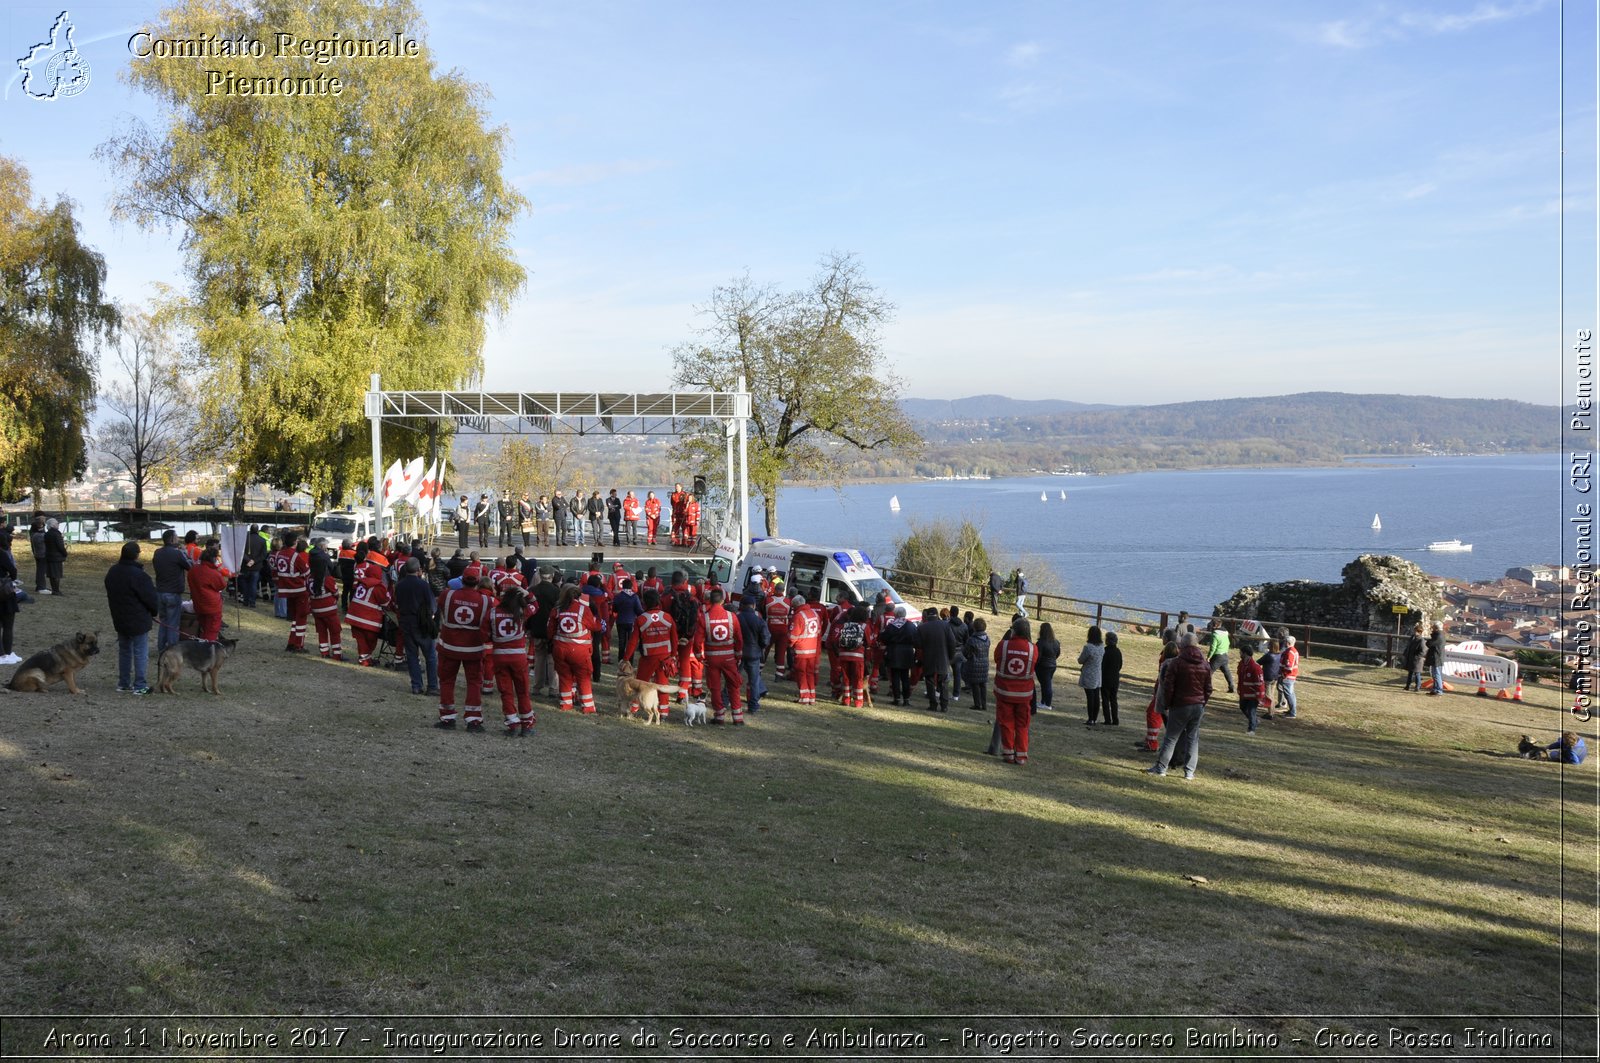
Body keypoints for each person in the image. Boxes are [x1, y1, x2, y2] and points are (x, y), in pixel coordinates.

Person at [1148, 632, 1213, 779]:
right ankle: (1189, 772)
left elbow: (1169, 686)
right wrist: (1202, 702)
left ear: (1182, 645)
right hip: (1197, 704)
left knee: (1171, 737)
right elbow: (1208, 688)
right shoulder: (1204, 664)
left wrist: (1168, 703)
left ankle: (1161, 768)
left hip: (1180, 704)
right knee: (1192, 738)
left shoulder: (1176, 663)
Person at [435, 567, 490, 729]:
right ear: (478, 581)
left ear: (462, 579)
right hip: (473, 649)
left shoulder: (448, 595)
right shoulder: (485, 600)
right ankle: (473, 719)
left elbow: (440, 606)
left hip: (449, 647)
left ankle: (447, 717)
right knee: (474, 683)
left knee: (446, 681)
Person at [104, 540, 159, 695]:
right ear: (136, 555)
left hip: (120, 617)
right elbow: (150, 598)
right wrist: (153, 612)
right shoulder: (139, 576)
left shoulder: (113, 572)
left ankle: (124, 682)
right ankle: (140, 684)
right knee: (140, 651)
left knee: (125, 650)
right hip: (138, 619)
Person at [487, 584, 534, 735]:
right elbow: (536, 605)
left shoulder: (492, 613)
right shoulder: (522, 612)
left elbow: (484, 634)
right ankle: (527, 724)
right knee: (523, 691)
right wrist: (528, 594)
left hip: (499, 657)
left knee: (505, 691)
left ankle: (512, 724)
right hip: (518, 657)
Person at [549, 583, 601, 714]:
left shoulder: (557, 609)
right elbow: (595, 626)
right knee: (583, 677)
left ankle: (566, 703)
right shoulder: (584, 609)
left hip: (560, 649)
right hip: (580, 650)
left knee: (564, 676)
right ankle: (588, 707)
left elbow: (550, 631)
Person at [993, 618, 1038, 765]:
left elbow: (996, 659)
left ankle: (1008, 754)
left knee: (1006, 723)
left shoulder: (1003, 645)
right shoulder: (1033, 649)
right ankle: (1021, 756)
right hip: (1024, 695)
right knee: (1022, 725)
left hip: (1004, 692)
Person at [696, 588, 744, 723]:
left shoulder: (704, 618)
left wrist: (700, 657)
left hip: (711, 658)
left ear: (710, 600)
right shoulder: (731, 616)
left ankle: (719, 715)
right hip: (729, 658)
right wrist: (738, 655)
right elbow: (739, 638)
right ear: (723, 600)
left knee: (715, 687)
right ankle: (738, 717)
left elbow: (698, 641)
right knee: (733, 685)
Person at [151, 529, 192, 658]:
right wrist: (185, 553)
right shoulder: (177, 554)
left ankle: (162, 648)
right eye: (176, 537)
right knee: (173, 624)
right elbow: (189, 566)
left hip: (160, 592)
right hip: (173, 593)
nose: (178, 539)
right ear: (172, 539)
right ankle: (173, 650)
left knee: (163, 622)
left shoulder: (157, 553)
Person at [345, 563, 393, 667]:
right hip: (368, 618)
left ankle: (365, 657)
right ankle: (364, 659)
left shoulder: (361, 583)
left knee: (361, 639)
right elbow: (385, 602)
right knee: (371, 640)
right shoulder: (378, 586)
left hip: (354, 616)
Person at [271, 534, 311, 652]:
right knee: (301, 619)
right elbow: (306, 572)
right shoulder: (295, 556)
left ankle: (291, 643)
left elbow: (275, 571)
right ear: (295, 542)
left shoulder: (279, 554)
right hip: (299, 590)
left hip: (286, 590)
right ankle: (298, 645)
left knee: (294, 618)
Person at [917, 605, 958, 713]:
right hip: (943, 658)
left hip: (928, 658)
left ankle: (933, 704)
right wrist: (950, 656)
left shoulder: (922, 627)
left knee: (930, 682)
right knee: (944, 683)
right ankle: (944, 705)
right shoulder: (945, 626)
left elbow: (917, 644)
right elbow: (952, 642)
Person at [789, 590, 826, 705]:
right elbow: (819, 631)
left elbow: (793, 636)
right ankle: (812, 697)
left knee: (801, 673)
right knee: (810, 674)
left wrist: (790, 645)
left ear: (796, 605)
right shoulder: (814, 614)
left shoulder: (798, 616)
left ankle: (804, 697)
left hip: (801, 650)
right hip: (813, 650)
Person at [187, 547, 229, 642]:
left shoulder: (193, 570)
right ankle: (207, 651)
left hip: (198, 604)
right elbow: (221, 585)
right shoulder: (213, 573)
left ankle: (202, 646)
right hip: (212, 606)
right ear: (214, 559)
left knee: (203, 628)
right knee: (212, 631)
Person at [834, 604, 872, 708]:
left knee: (846, 678)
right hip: (857, 655)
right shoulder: (864, 626)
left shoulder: (845, 625)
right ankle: (858, 702)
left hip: (843, 655)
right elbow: (868, 642)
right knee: (858, 678)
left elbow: (837, 640)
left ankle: (846, 700)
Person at [738, 593, 771, 714]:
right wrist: (760, 647)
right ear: (753, 605)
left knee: (732, 679)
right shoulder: (759, 620)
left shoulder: (737, 618)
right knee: (754, 681)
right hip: (754, 654)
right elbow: (765, 639)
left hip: (738, 653)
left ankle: (725, 701)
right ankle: (753, 706)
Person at [308, 568, 344, 660]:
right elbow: (335, 592)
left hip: (316, 610)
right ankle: (337, 654)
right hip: (329, 610)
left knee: (321, 631)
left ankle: (324, 652)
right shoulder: (327, 578)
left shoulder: (309, 578)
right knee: (335, 631)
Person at [1077, 625, 1104, 724]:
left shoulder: (1088, 647)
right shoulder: (1101, 647)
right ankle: (1094, 718)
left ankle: (1090, 718)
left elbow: (1081, 660)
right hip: (1097, 674)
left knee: (1090, 697)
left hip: (1088, 674)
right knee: (1096, 696)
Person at [963, 617, 991, 714]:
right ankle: (984, 704)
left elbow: (965, 652)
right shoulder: (987, 639)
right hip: (985, 663)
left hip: (975, 664)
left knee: (975, 685)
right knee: (983, 685)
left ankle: (977, 704)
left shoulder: (972, 640)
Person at [1237, 643, 1264, 734]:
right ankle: (1255, 721)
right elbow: (1240, 678)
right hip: (1244, 692)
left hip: (1253, 694)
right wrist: (1239, 688)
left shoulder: (1255, 667)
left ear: (1245, 654)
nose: (1240, 654)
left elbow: (1259, 683)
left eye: (1241, 653)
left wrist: (1259, 695)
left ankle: (1251, 729)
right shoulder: (1241, 664)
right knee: (1243, 707)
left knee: (1252, 711)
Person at [0, 527, 18, 664]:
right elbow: (13, 570)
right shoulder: (2, 554)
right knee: (7, 625)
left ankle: (3, 654)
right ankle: (6, 653)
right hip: (3, 592)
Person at [1035, 622, 1061, 711]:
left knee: (1046, 685)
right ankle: (1043, 701)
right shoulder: (1056, 642)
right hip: (1052, 665)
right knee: (1045, 684)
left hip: (1043, 666)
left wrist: (1035, 664)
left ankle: (1047, 703)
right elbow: (1058, 653)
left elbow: (1037, 656)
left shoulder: (1040, 643)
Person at [1519, 731, 1588, 763]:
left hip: (1574, 758)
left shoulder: (1572, 751)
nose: (1561, 739)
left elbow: (1576, 763)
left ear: (1567, 742)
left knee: (1553, 754)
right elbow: (1559, 743)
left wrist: (1562, 758)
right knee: (1558, 745)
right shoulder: (1578, 740)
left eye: (1563, 739)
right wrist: (1548, 747)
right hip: (1578, 753)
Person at [1205, 621, 1235, 693]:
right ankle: (1231, 686)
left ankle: (1206, 687)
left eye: (1212, 625)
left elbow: (1213, 647)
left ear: (1215, 626)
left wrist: (1209, 657)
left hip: (1217, 656)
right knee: (1227, 672)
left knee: (1208, 672)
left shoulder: (1215, 635)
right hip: (1224, 655)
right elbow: (1228, 643)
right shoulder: (1225, 633)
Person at [1102, 631, 1123, 725]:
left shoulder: (1105, 651)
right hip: (1115, 678)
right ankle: (1115, 719)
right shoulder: (1118, 652)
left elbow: (1102, 665)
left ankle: (1107, 719)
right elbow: (1120, 665)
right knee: (1113, 699)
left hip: (1106, 678)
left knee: (1105, 699)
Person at [43, 518, 67, 596]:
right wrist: (65, 553)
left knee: (52, 574)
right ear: (53, 525)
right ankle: (56, 590)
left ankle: (54, 589)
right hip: (57, 556)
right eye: (57, 523)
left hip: (49, 555)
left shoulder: (47, 534)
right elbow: (60, 546)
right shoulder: (56, 534)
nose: (58, 525)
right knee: (57, 574)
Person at [1258, 638, 1282, 717]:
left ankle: (1270, 713)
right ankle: (1272, 711)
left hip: (1268, 677)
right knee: (1272, 694)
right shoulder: (1279, 655)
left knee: (1268, 696)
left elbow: (1258, 662)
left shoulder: (1268, 656)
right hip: (1275, 677)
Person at [1280, 634, 1302, 717]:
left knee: (1288, 694)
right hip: (1291, 675)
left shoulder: (1290, 652)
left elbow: (1289, 666)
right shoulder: (1294, 651)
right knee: (1291, 693)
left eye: (1285, 641)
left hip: (1288, 676)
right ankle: (1292, 711)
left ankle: (1292, 713)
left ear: (1287, 643)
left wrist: (1284, 674)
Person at [1401, 623, 1426, 692]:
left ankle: (1417, 687)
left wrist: (1416, 657)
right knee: (1410, 673)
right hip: (1411, 658)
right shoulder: (1412, 638)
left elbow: (1423, 651)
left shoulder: (1421, 640)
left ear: (1420, 632)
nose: (1414, 632)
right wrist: (1405, 654)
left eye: (1416, 631)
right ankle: (1407, 686)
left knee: (1417, 673)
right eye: (1415, 631)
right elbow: (1408, 647)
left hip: (1417, 660)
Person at [1423, 623, 1446, 698]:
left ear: (1436, 628)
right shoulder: (1440, 635)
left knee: (1436, 674)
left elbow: (1429, 644)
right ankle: (1435, 689)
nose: (1432, 629)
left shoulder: (1438, 636)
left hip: (1437, 658)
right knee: (1435, 674)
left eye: (1433, 627)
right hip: (1437, 657)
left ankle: (1439, 690)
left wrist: (1429, 640)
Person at [28, 516, 48, 594]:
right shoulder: (39, 535)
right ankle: (41, 587)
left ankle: (39, 586)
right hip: (42, 555)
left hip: (37, 554)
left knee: (40, 570)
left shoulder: (34, 534)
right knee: (41, 571)